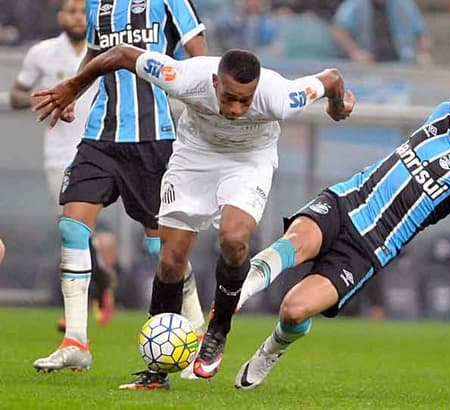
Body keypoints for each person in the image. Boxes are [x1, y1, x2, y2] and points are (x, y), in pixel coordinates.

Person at [33, 43, 355, 389]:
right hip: (193, 159)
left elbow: (332, 78)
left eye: (245, 101)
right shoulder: (185, 77)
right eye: (229, 97)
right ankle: (156, 372)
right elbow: (121, 54)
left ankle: (218, 329)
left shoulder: (281, 97)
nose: (235, 109)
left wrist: (337, 107)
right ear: (215, 82)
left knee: (233, 239)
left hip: (248, 163)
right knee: (170, 258)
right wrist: (74, 86)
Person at [234, 70, 450, 390]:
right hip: (346, 200)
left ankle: (272, 349)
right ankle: (237, 293)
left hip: (369, 247)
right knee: (293, 243)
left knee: (294, 310)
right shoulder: (442, 115)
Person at [31, 0, 207, 374]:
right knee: (72, 226)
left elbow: (199, 54)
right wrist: (73, 94)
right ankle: (76, 341)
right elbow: (97, 55)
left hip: (154, 136)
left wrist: (203, 110)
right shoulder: (97, 3)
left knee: (166, 248)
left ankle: (197, 334)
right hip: (101, 134)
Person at [10, 0, 119, 332]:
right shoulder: (41, 53)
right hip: (59, 154)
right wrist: (47, 98)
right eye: (69, 11)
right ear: (60, 16)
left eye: (80, 11)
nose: (75, 17)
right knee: (75, 232)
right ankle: (97, 294)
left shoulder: (108, 51)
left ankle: (96, 294)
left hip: (104, 148)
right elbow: (18, 93)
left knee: (86, 232)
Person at [331, 0, 431, 64]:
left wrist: (422, 52)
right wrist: (355, 52)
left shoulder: (405, 4)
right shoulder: (356, 4)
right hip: (369, 63)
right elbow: (338, 30)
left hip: (402, 60)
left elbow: (422, 34)